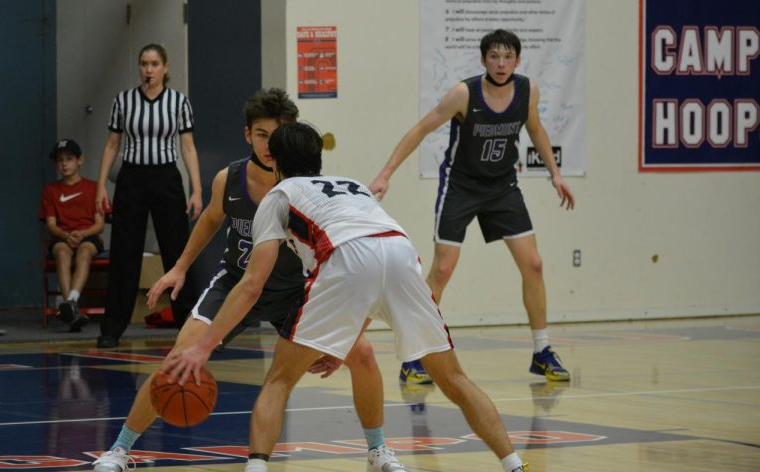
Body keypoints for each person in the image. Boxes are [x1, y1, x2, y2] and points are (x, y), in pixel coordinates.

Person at [163, 122, 528, 472]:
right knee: (455, 379)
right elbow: (376, 271)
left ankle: (257, 467)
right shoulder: (353, 184)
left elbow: (251, 285)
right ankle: (514, 465)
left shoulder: (278, 195)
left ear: (274, 160)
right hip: (400, 252)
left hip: (345, 255)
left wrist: (203, 347)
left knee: (279, 380)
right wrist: (344, 337)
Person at [92, 90, 409, 472]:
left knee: (363, 353)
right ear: (248, 135)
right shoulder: (230, 178)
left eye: (278, 134)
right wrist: (179, 267)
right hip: (237, 284)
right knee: (178, 358)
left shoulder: (307, 185)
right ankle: (120, 450)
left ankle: (378, 451)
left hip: (295, 290)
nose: (270, 144)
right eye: (262, 134)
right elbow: (210, 219)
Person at [369, 29, 575, 384]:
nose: (500, 63)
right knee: (443, 271)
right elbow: (421, 129)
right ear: (483, 61)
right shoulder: (464, 94)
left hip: (502, 187)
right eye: (494, 56)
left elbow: (537, 129)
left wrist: (555, 175)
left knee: (534, 264)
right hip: (460, 186)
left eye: (507, 56)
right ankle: (415, 356)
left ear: (517, 61)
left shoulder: (527, 90)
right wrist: (386, 173)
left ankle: (542, 351)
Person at [94, 44, 203, 348]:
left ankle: (187, 324)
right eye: (144, 64)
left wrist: (196, 190)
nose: (148, 69)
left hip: (167, 178)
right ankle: (112, 328)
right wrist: (101, 185)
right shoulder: (124, 101)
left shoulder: (179, 102)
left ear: (165, 67)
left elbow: (188, 147)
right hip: (131, 178)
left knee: (178, 252)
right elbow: (112, 145)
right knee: (124, 253)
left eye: (154, 64)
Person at [40, 139, 106, 331]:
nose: (64, 164)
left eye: (69, 158)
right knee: (61, 252)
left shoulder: (94, 188)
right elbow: (51, 225)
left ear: (80, 160)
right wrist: (66, 235)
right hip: (62, 237)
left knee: (84, 251)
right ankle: (73, 309)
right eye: (60, 160)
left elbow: (100, 224)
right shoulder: (50, 191)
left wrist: (82, 234)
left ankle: (70, 302)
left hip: (88, 236)